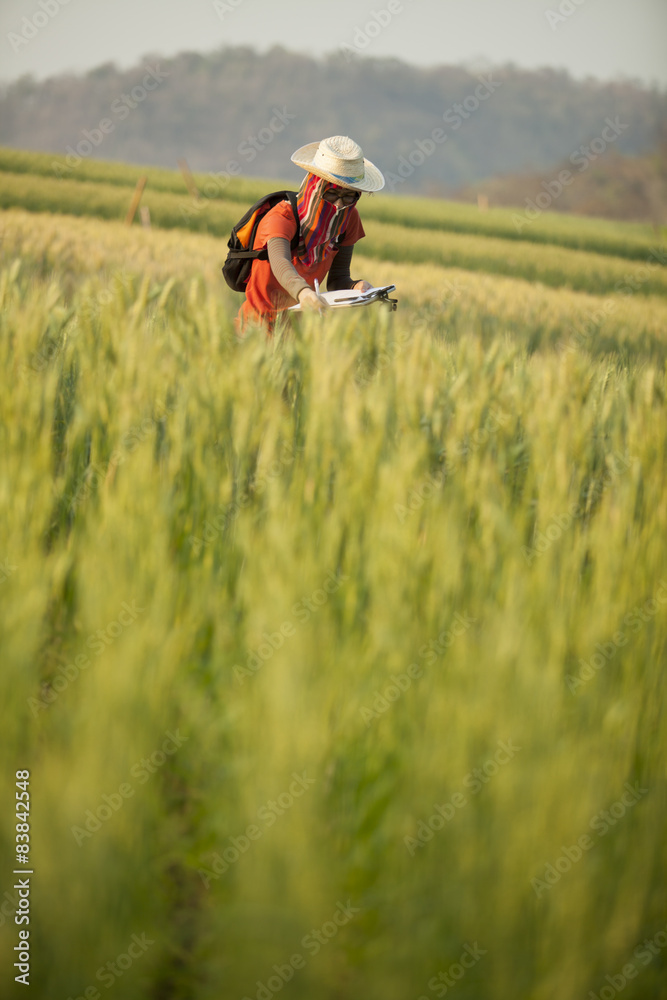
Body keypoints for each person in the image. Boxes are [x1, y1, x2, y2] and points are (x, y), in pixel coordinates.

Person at [237, 135, 385, 334]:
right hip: (255, 331)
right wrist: (304, 292)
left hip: (300, 336)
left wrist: (356, 287)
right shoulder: (281, 217)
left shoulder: (348, 219)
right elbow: (281, 262)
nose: (339, 204)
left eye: (349, 196)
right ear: (314, 186)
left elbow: (338, 279)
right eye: (331, 193)